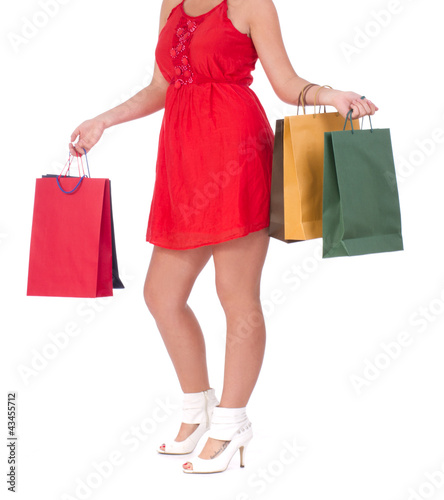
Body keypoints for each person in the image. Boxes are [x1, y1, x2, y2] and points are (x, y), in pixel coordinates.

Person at [69, 0, 378, 474]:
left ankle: (232, 420)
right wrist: (102, 121)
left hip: (237, 152)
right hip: (182, 159)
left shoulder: (253, 4)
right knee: (161, 294)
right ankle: (199, 405)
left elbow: (285, 83)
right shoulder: (171, 5)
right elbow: (161, 86)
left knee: (235, 295)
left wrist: (332, 95)